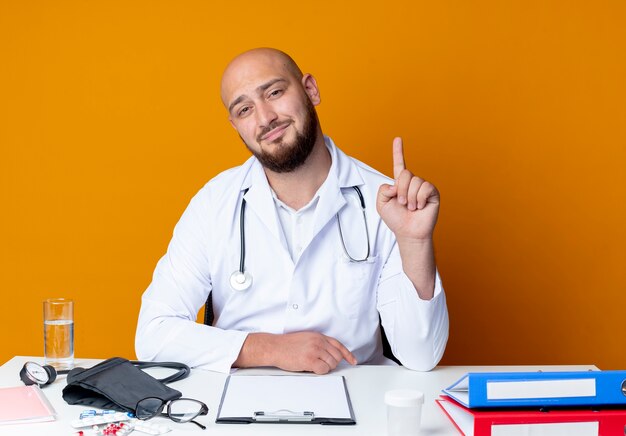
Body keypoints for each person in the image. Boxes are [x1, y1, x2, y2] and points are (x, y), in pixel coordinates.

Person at [135, 48, 448, 374]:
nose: (265, 117)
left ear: (310, 90)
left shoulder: (385, 200)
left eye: (274, 92)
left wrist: (415, 244)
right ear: (236, 126)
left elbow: (421, 357)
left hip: (354, 402)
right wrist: (266, 348)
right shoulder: (214, 202)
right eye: (245, 109)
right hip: (237, 404)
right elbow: (153, 333)